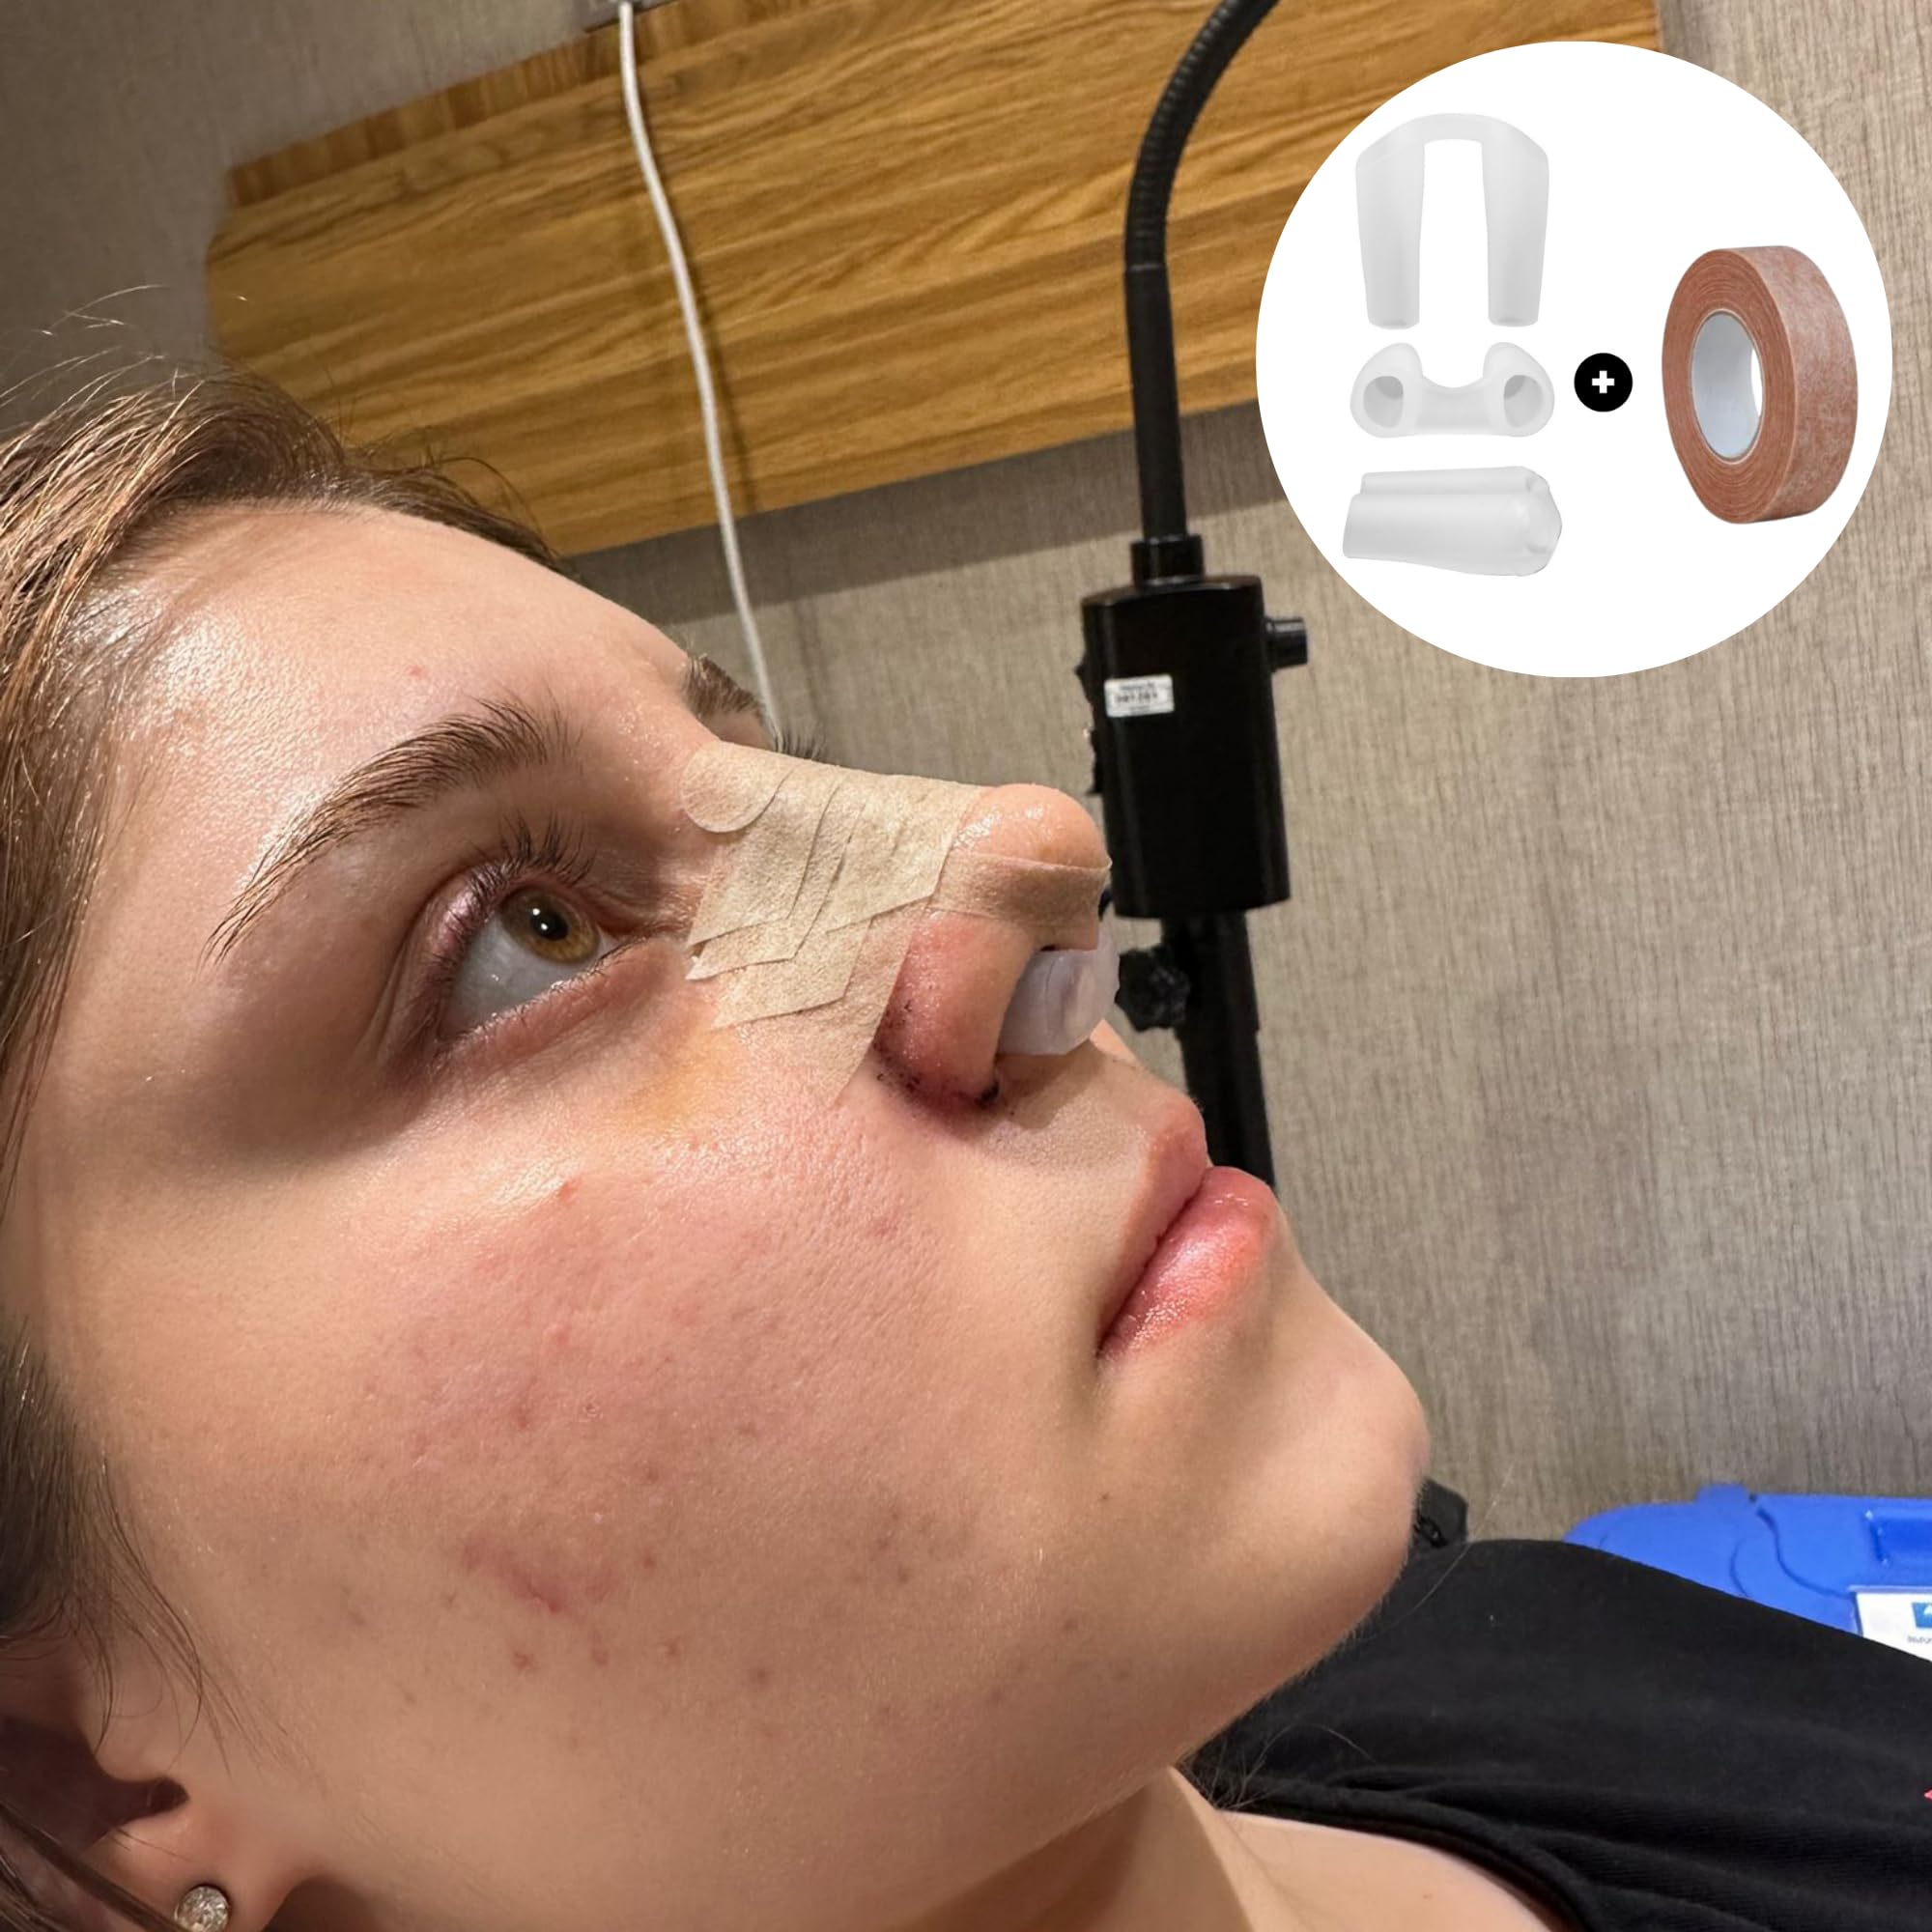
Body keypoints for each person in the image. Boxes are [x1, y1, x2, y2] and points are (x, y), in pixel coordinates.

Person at [0, 371, 1922, 1932]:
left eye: (775, 764)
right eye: (530, 935)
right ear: (80, 1774)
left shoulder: (1557, 1637)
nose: (1020, 847)